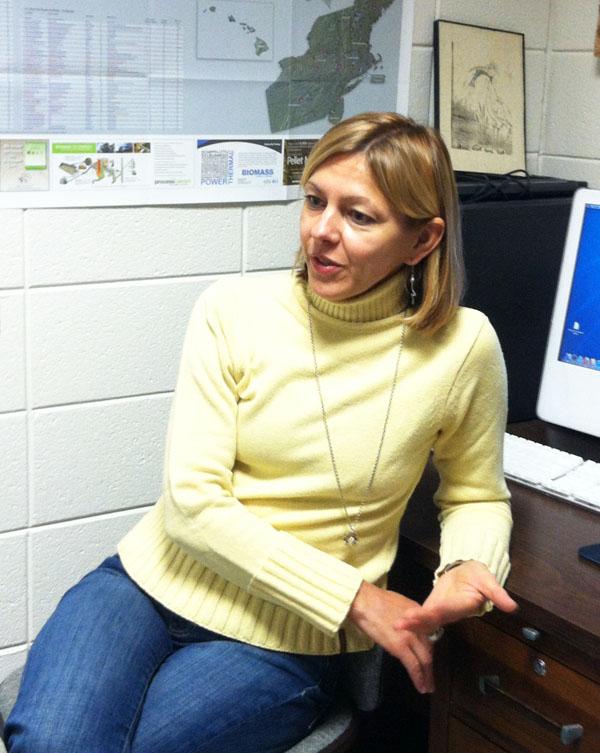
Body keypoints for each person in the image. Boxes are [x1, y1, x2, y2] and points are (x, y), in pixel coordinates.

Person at [4, 112, 517, 753]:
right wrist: (356, 597)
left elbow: (476, 494)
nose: (320, 233)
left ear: (421, 241)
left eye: (358, 216)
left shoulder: (462, 347)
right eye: (314, 201)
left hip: (288, 638)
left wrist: (468, 565)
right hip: (146, 587)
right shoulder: (233, 311)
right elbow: (193, 504)